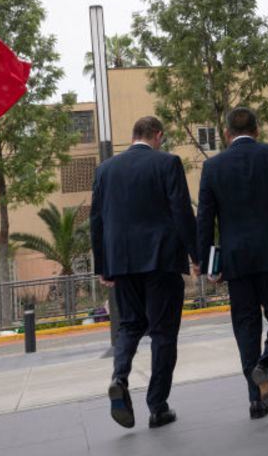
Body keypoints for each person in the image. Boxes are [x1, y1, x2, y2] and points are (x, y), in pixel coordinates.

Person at [195, 106, 268, 420]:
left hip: (236, 260)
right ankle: (267, 364)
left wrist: (208, 263)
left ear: (227, 133)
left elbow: (204, 220)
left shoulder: (213, 167)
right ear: (257, 130)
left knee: (246, 328)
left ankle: (256, 401)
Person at [90, 116, 196, 429]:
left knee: (130, 324)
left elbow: (97, 221)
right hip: (161, 260)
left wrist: (103, 265)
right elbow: (181, 211)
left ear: (133, 135)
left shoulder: (105, 170)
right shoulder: (167, 163)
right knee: (163, 333)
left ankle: (119, 377)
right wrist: (197, 255)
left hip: (121, 262)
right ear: (157, 136)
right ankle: (158, 406)